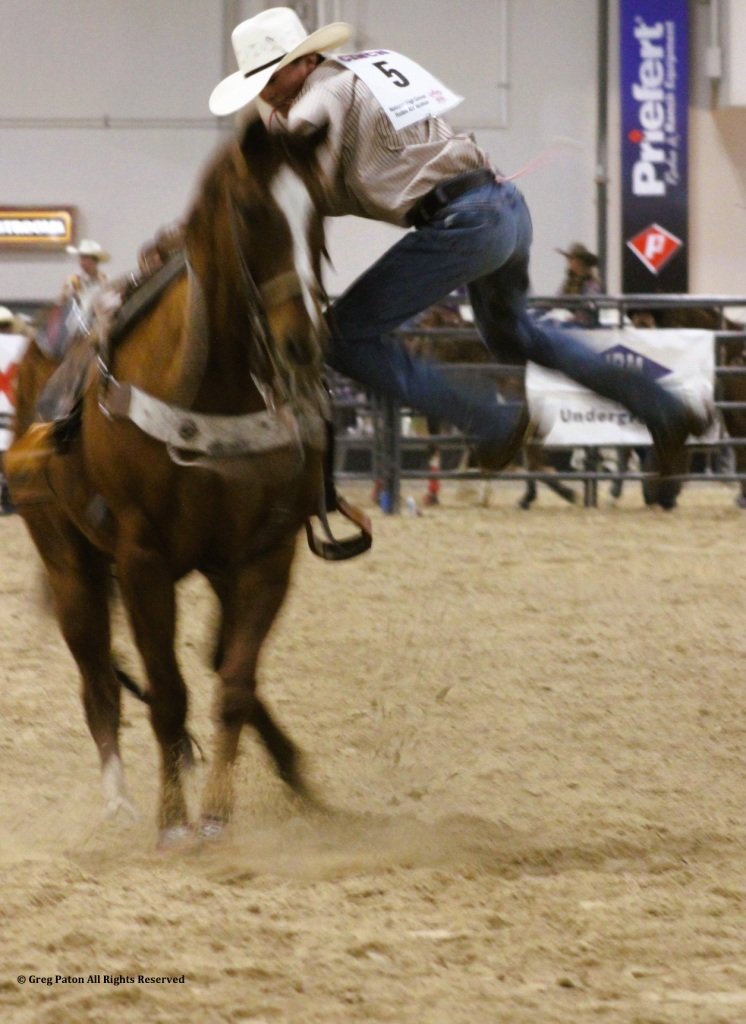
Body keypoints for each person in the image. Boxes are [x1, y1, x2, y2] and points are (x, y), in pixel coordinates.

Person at [208, 7, 710, 480]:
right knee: (516, 333)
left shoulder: (321, 100)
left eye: (272, 78)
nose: (267, 94)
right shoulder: (358, 73)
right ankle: (665, 408)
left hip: (461, 222)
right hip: (501, 207)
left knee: (342, 338)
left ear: (308, 61)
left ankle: (487, 421)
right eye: (259, 85)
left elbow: (283, 191)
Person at [60, 238, 110, 334]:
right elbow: (61, 300)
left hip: (100, 317)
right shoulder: (74, 280)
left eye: (85, 258)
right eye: (81, 258)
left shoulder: (105, 279)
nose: (82, 262)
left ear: (95, 261)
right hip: (79, 321)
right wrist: (68, 295)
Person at [556, 242, 603, 327]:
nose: (569, 262)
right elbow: (556, 299)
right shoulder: (568, 283)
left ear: (581, 262)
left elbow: (590, 304)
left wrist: (577, 317)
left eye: (572, 259)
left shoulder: (592, 284)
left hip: (585, 326)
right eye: (569, 259)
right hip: (569, 322)